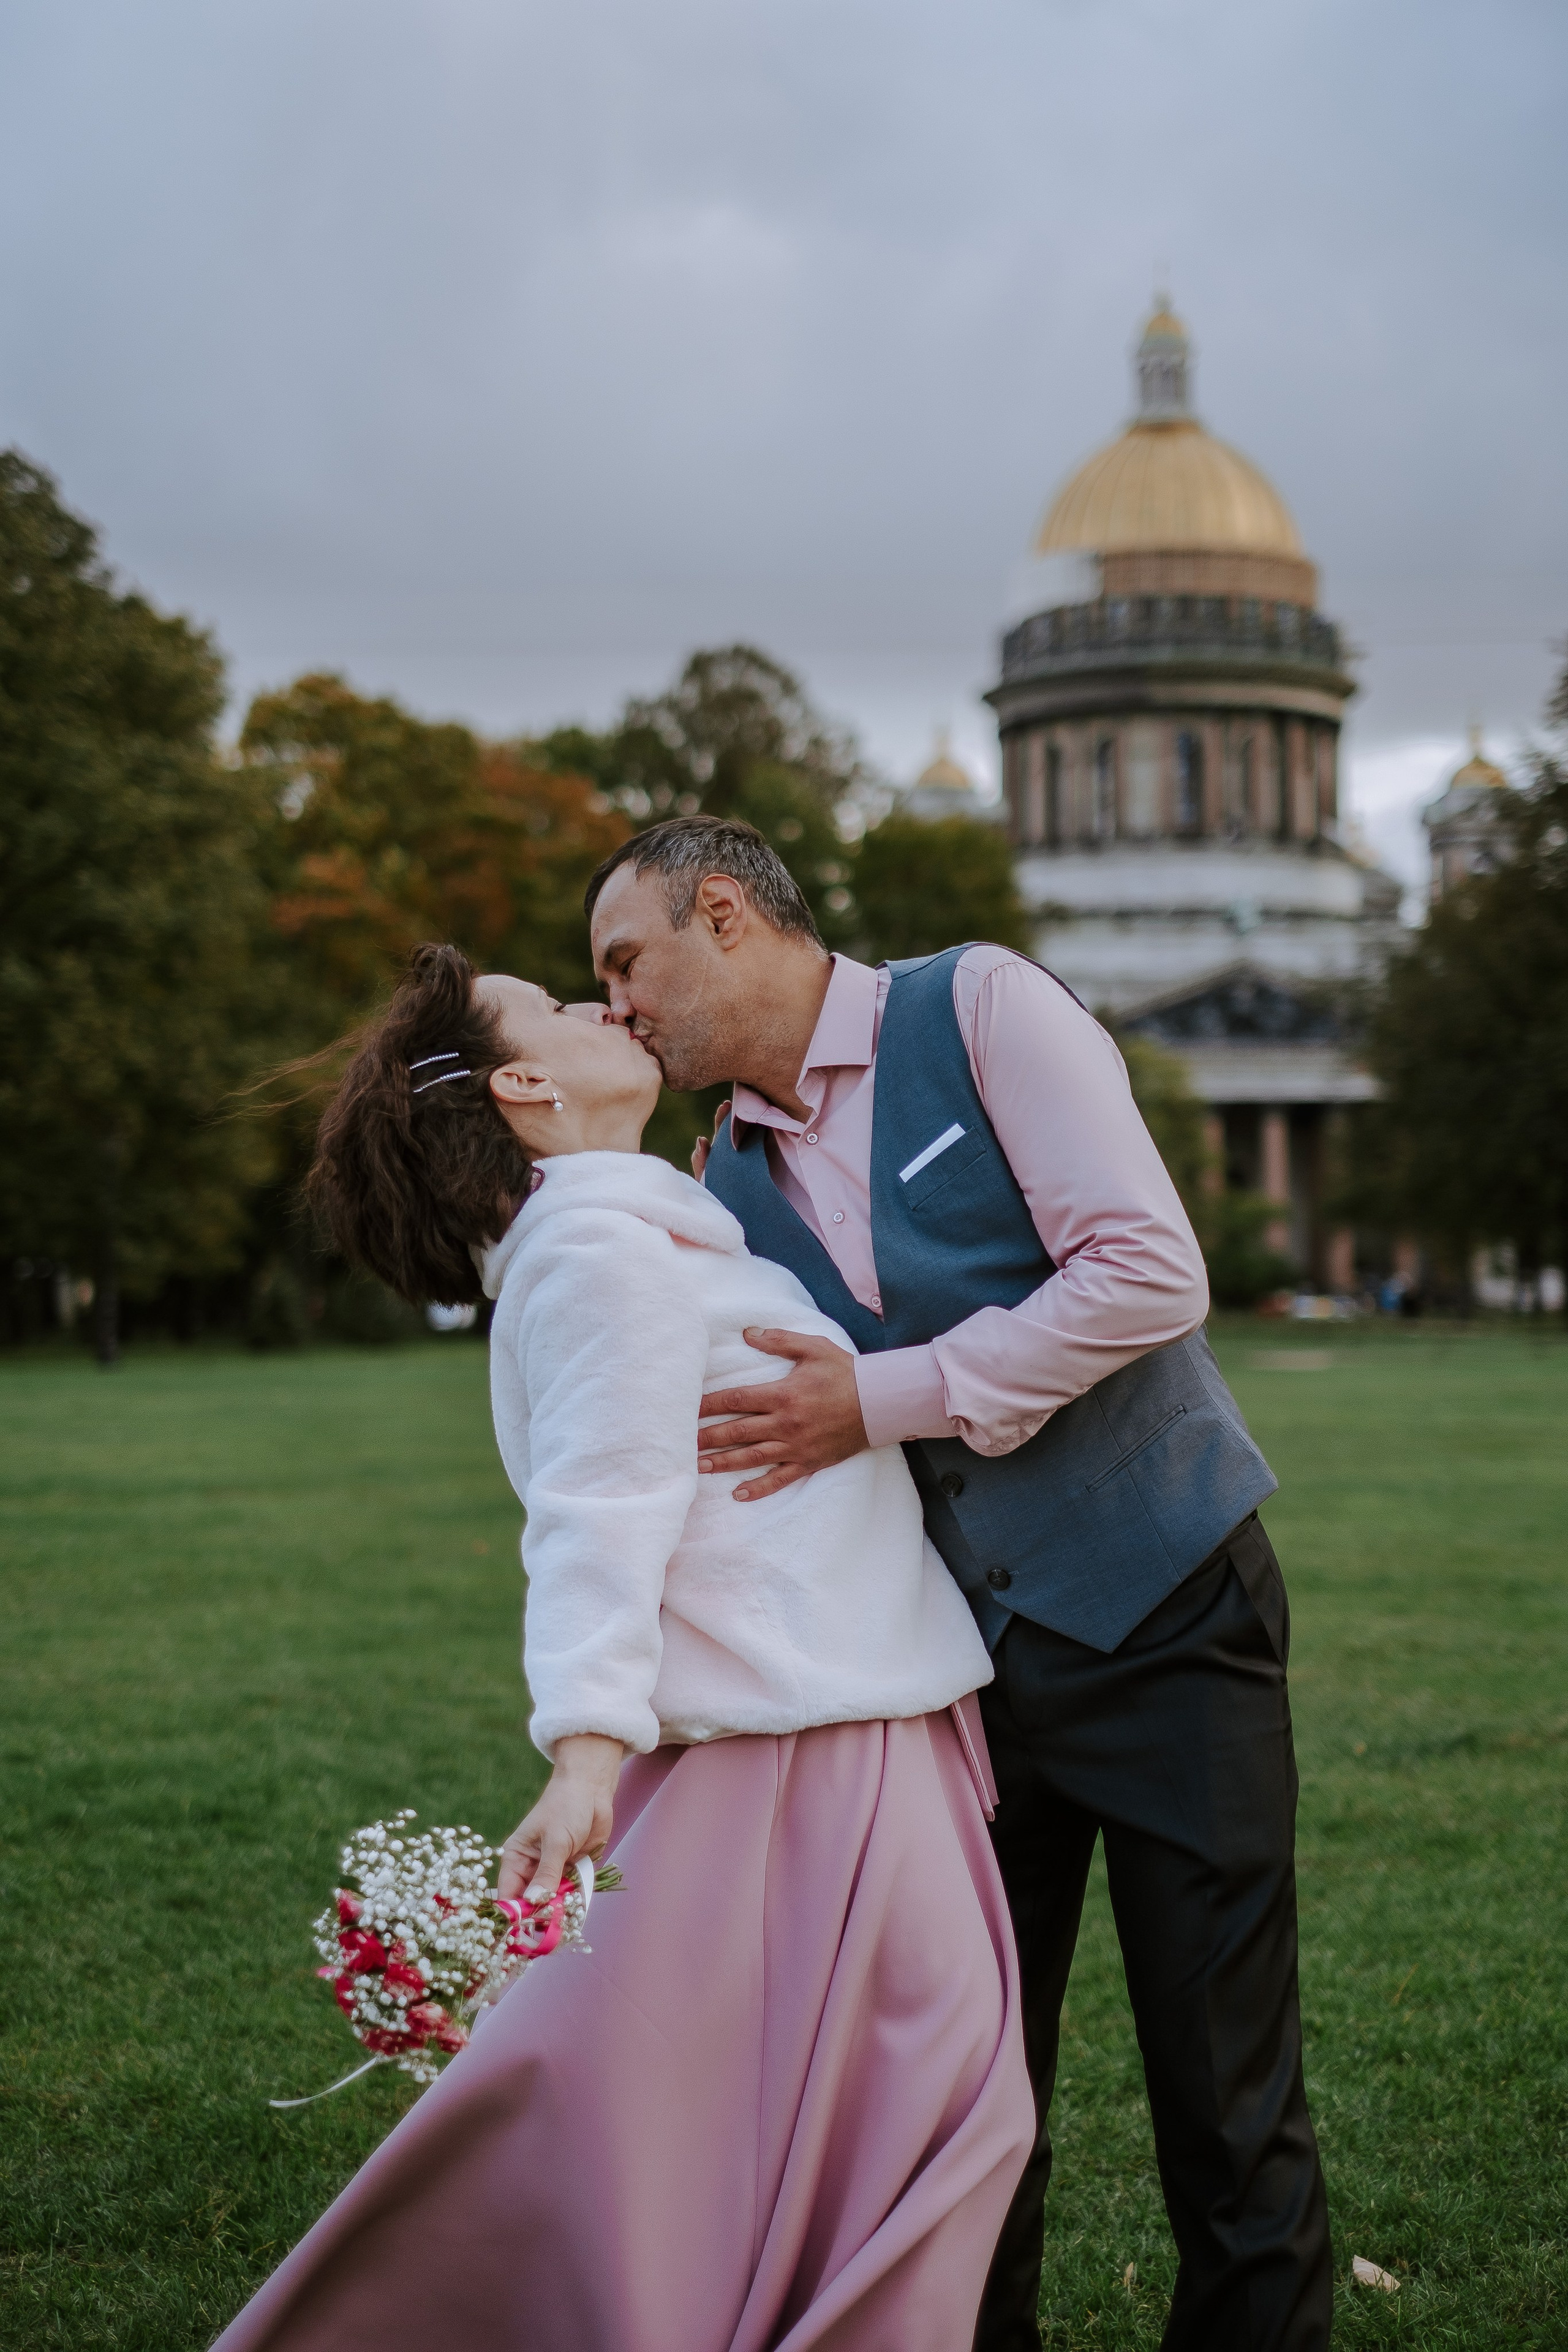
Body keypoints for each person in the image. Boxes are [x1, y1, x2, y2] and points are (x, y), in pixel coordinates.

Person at [212, 942, 1031, 2352]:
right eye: (558, 1005)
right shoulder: (597, 1251)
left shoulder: (632, 1233)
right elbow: (599, 1508)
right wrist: (585, 1749)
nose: (602, 1007)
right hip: (804, 1757)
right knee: (935, 2121)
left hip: (836, 1731)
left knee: (870, 2126)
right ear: (523, 1081)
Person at [585, 817, 1333, 2352]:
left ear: (720, 915)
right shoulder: (712, 1174)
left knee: (1225, 2094)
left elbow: (1144, 1269)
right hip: (948, 1682)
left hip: (1167, 1609)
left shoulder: (982, 1006)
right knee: (966, 2105)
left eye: (624, 962)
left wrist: (880, 1395)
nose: (615, 1008)